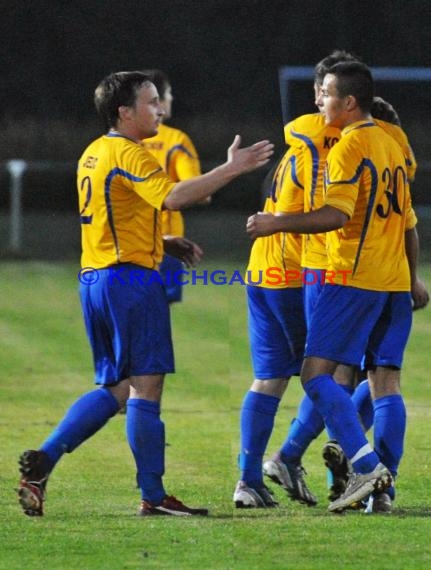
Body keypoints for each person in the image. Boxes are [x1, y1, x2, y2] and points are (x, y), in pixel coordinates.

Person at [17, 70, 273, 517]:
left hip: (97, 277)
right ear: (125, 112)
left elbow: (117, 211)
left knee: (116, 387)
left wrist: (162, 242)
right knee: (145, 387)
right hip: (131, 282)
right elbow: (173, 197)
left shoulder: (94, 152)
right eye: (151, 102)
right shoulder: (131, 152)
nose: (159, 109)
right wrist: (231, 168)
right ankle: (153, 496)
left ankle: (46, 459)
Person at [247, 60, 423, 512]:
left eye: (324, 93)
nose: (318, 101)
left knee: (317, 375)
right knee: (384, 383)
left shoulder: (349, 147)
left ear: (347, 102)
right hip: (392, 280)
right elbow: (407, 223)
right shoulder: (394, 145)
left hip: (350, 277)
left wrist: (275, 223)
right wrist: (413, 278)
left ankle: (365, 467)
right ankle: (381, 493)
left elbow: (336, 215)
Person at [233, 140, 309, 508]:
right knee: (339, 374)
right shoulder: (323, 156)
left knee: (269, 378)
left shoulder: (291, 155)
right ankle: (290, 458)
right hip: (294, 276)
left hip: (262, 270)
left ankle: (247, 480)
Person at [141, 69, 203, 303]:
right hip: (166, 239)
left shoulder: (121, 141)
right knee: (157, 315)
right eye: (168, 93)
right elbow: (195, 190)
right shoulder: (176, 140)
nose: (171, 99)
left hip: (126, 240)